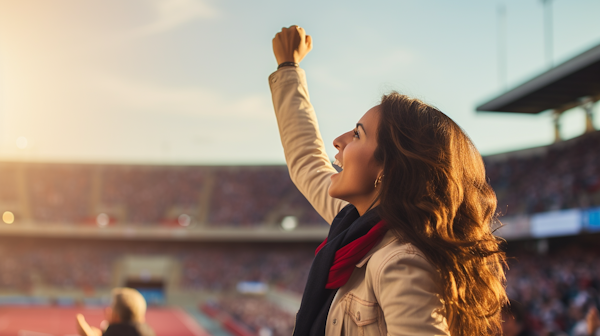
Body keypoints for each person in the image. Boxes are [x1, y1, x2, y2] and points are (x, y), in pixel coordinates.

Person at [269, 26, 508, 336]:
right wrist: (289, 69)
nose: (338, 141)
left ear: (390, 169)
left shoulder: (401, 261)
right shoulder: (359, 226)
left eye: (357, 134)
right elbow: (306, 160)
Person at [76, 288, 155, 336]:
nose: (107, 310)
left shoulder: (114, 331)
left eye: (111, 308)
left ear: (116, 316)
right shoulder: (147, 331)